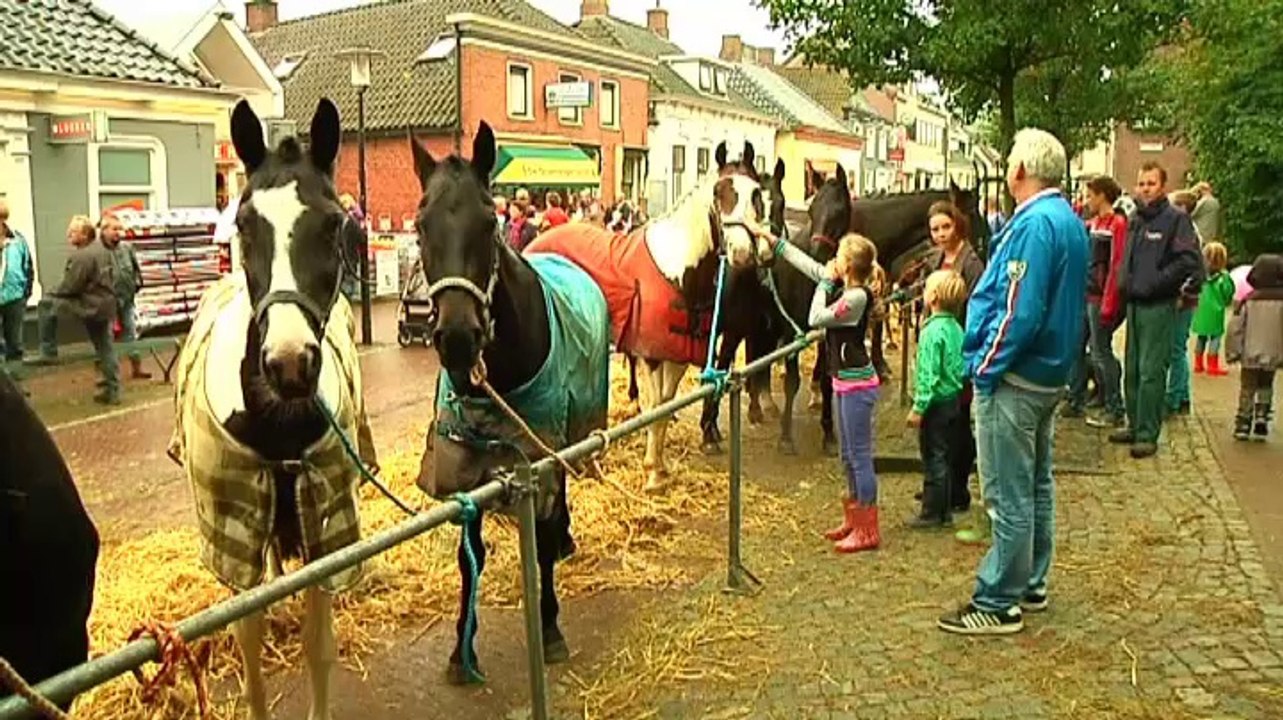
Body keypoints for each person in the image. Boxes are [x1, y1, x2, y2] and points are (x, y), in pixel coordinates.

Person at [938, 128, 1087, 636]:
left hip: (1017, 379)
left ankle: (1000, 599)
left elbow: (1019, 310)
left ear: (1021, 170)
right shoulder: (1067, 219)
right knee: (1037, 484)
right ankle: (1032, 581)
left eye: (1008, 163)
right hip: (1048, 375)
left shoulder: (1033, 226)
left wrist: (984, 366)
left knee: (1007, 493)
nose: (1005, 171)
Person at [772, 233, 883, 553]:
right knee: (848, 455)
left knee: (860, 457)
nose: (832, 260)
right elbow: (810, 267)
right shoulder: (846, 288)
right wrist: (774, 241)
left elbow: (815, 318)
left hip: (857, 383)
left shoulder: (856, 297)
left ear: (847, 264)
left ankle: (868, 529)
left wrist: (823, 285)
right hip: (843, 380)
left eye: (838, 255)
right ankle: (854, 518)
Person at [1111, 162, 1202, 458]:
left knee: (1152, 370)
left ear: (1162, 186)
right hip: (1134, 303)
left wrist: (1157, 283)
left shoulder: (1175, 219)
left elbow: (1188, 260)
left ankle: (1148, 432)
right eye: (1141, 183)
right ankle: (1135, 425)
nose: (1145, 189)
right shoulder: (1137, 219)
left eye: (1150, 183)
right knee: (1134, 368)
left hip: (1158, 305)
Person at [33, 216, 119, 404]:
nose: (68, 234)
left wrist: (52, 291)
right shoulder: (102, 250)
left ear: (84, 234)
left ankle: (48, 351)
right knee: (104, 347)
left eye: (73, 232)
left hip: (90, 306)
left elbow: (71, 286)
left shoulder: (81, 256)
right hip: (105, 304)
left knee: (46, 304)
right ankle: (110, 389)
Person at [906, 270, 967, 529]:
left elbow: (929, 374)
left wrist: (919, 407)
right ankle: (945, 509)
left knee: (933, 458)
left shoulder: (932, 332)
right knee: (945, 454)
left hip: (935, 404)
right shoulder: (956, 328)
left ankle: (932, 512)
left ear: (932, 297)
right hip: (953, 400)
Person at [1082, 176, 1129, 429]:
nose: (1087, 201)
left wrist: (1110, 301)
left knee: (1102, 351)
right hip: (1090, 293)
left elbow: (1116, 263)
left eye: (1090, 195)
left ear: (1102, 195)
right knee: (1094, 349)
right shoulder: (1095, 223)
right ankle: (1101, 396)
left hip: (1101, 296)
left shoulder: (1116, 224)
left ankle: (1115, 406)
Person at [1226, 254, 1283, 441]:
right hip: (1274, 352)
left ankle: (1243, 422)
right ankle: (1261, 417)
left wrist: (1233, 352)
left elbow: (1236, 328)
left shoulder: (1248, 301)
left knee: (1247, 387)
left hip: (1250, 353)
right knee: (1266, 384)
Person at [99, 212, 150, 381]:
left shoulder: (127, 248)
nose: (118, 233)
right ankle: (108, 374)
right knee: (106, 338)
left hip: (127, 298)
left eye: (120, 229)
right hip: (107, 301)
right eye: (114, 229)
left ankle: (137, 368)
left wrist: (137, 284)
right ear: (104, 230)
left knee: (130, 332)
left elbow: (136, 270)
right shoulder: (98, 251)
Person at [1192, 242, 1236, 377]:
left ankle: (1198, 363)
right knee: (1215, 338)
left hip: (1200, 310)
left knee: (1201, 337)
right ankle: (1212, 365)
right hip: (1216, 312)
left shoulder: (1200, 274)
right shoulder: (1223, 277)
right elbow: (1228, 293)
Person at [0, 201, 35, 375]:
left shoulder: (18, 240)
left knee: (15, 343)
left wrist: (25, 293)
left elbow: (28, 266)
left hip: (14, 298)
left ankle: (17, 384)